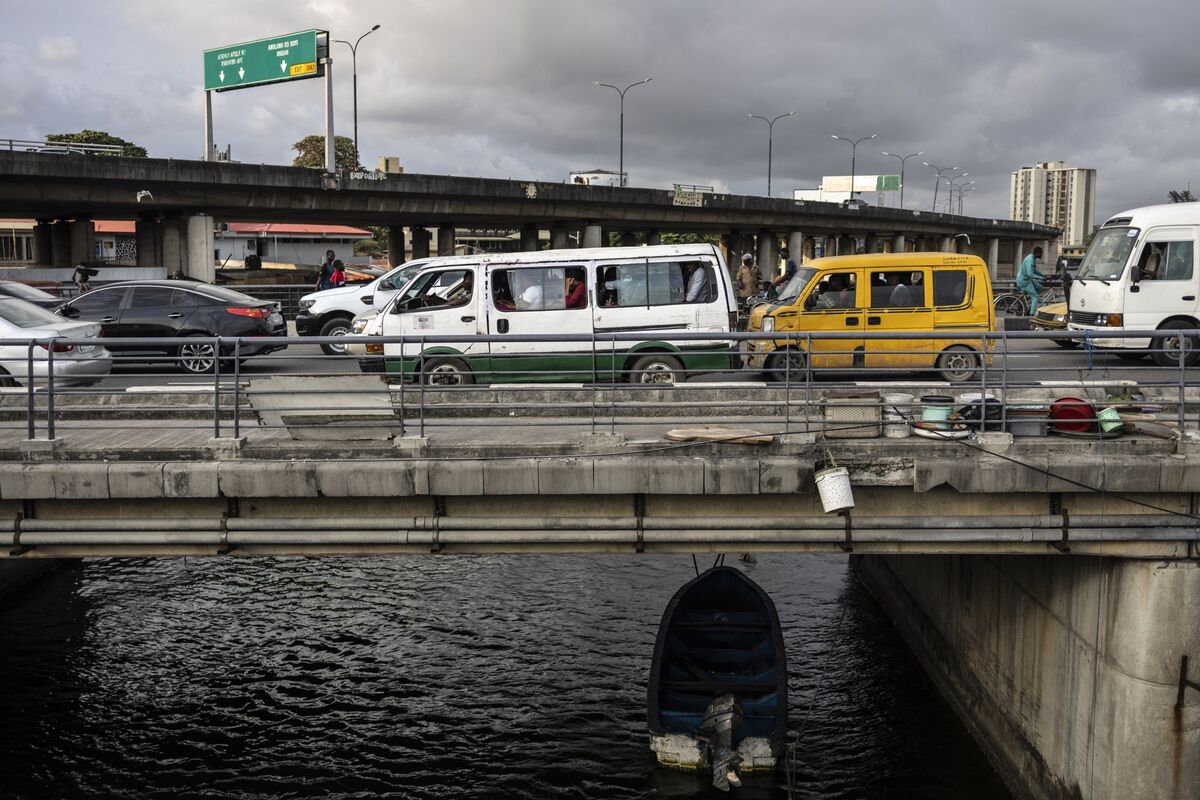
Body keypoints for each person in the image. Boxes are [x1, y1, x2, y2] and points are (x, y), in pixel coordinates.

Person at [1016, 246, 1045, 315]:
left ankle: (1030, 300)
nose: (1041, 255)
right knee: (1035, 297)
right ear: (1038, 253)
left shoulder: (1033, 258)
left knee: (1040, 287)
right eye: (1041, 254)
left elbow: (1034, 270)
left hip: (1027, 279)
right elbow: (1030, 274)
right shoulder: (1030, 260)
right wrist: (1042, 278)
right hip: (1024, 281)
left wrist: (1043, 275)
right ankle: (1031, 314)